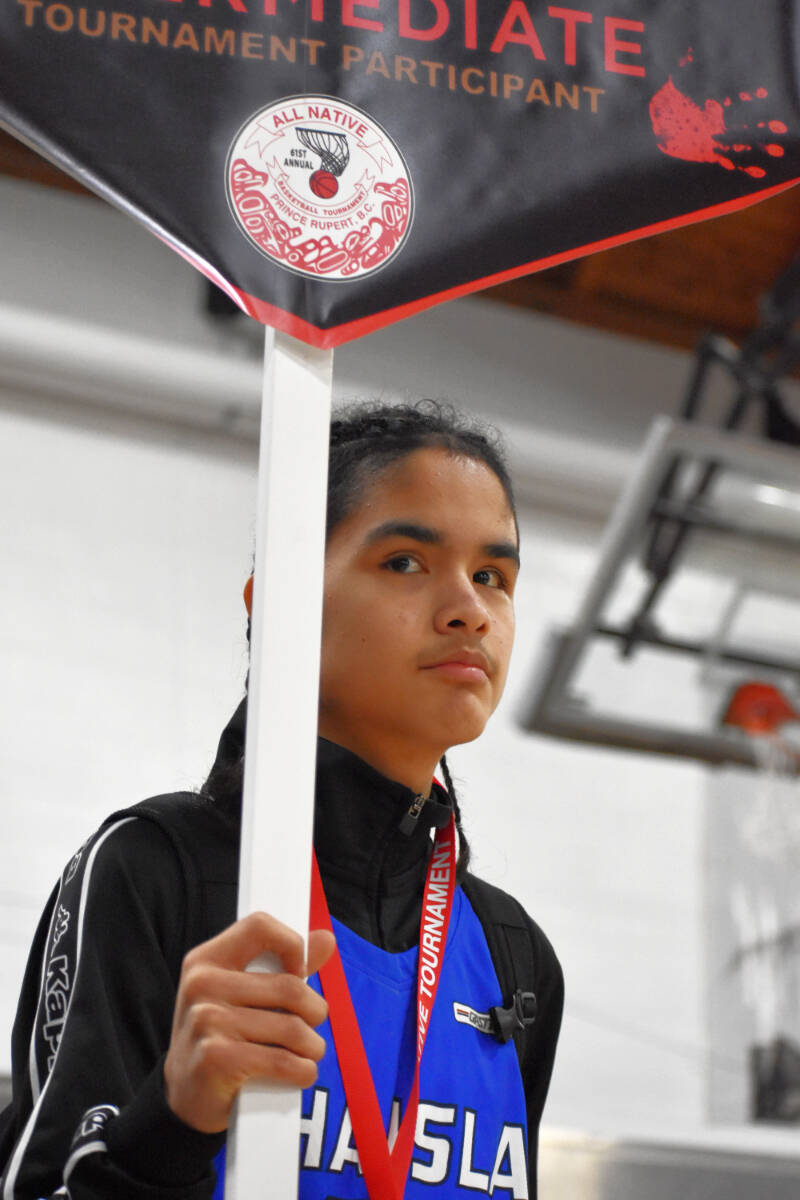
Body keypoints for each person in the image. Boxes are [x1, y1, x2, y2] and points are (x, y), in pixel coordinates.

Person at [0, 401, 563, 1200]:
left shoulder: (516, 955)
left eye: (492, 577)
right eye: (405, 561)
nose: (468, 608)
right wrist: (173, 1119)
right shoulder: (154, 869)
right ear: (279, 600)